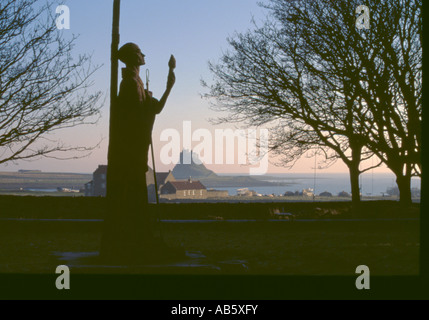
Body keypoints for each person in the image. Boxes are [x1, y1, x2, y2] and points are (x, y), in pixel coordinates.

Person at [102, 43, 175, 263]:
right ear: (133, 58)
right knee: (132, 199)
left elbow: (154, 109)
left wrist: (168, 86)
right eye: (140, 52)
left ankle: (141, 239)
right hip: (130, 154)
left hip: (135, 152)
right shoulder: (130, 84)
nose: (144, 55)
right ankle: (134, 242)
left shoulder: (137, 83)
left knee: (137, 199)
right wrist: (147, 109)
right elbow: (134, 121)